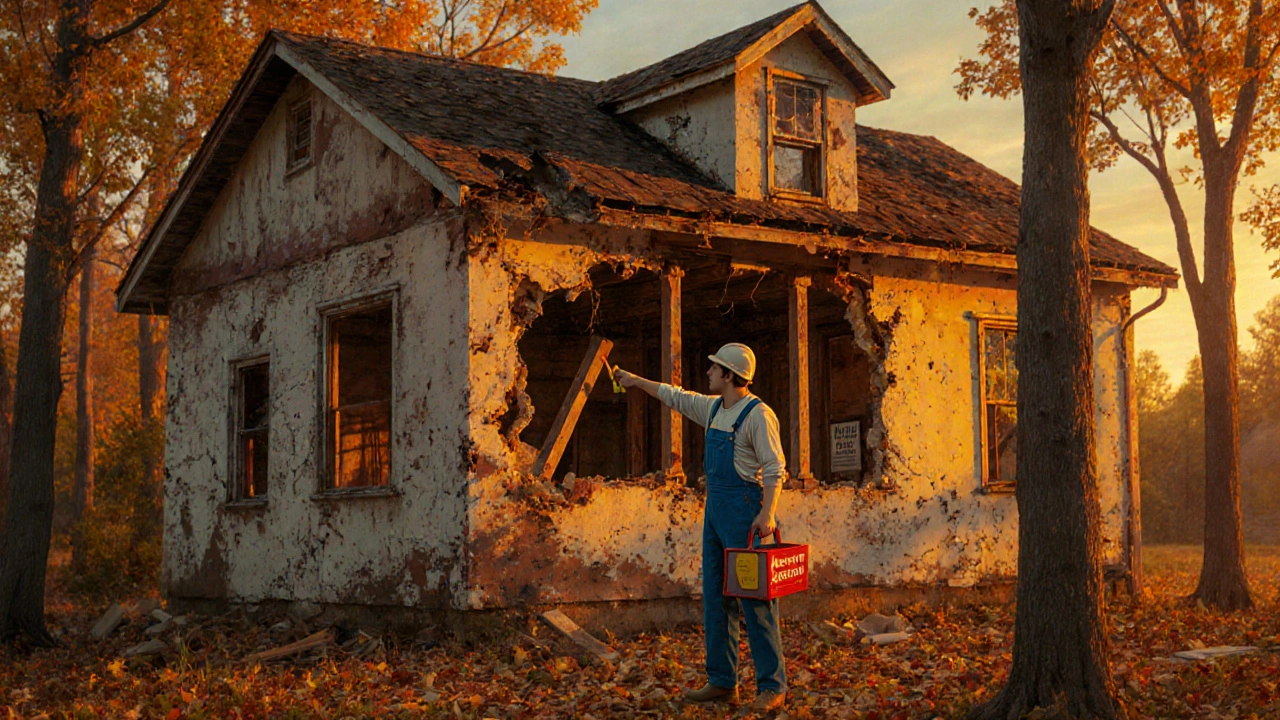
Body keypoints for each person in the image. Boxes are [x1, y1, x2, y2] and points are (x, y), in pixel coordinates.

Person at [613, 342, 788, 712]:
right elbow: (674, 396)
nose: (707, 372)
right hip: (715, 514)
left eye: (714, 368)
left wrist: (767, 515)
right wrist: (633, 380)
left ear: (729, 376)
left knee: (755, 603)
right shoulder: (712, 409)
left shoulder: (758, 415)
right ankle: (723, 682)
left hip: (746, 514)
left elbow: (774, 468)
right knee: (716, 599)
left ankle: (773, 686)